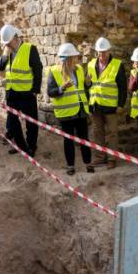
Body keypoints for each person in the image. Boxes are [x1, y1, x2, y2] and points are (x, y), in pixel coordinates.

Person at [47, 43, 94, 175]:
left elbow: (82, 89)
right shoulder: (55, 71)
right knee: (69, 140)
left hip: (80, 110)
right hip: (66, 113)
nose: (77, 59)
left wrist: (88, 83)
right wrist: (62, 87)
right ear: (68, 58)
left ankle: (88, 163)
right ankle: (70, 166)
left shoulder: (79, 69)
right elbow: (50, 92)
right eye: (74, 57)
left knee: (84, 138)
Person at [0, 24, 42, 157]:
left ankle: (31, 146)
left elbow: (38, 70)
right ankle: (21, 147)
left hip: (26, 93)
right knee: (12, 122)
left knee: (31, 123)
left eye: (9, 42)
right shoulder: (7, 50)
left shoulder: (30, 49)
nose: (7, 45)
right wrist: (5, 55)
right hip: (11, 93)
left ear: (16, 38)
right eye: (5, 43)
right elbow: (0, 67)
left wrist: (35, 90)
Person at [86, 37, 127, 169]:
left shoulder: (117, 65)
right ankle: (99, 157)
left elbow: (122, 87)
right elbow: (89, 84)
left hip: (111, 106)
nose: (101, 55)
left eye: (103, 52)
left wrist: (120, 104)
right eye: (99, 52)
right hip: (96, 104)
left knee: (112, 133)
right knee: (97, 132)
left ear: (109, 51)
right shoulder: (91, 64)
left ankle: (111, 159)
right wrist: (87, 84)